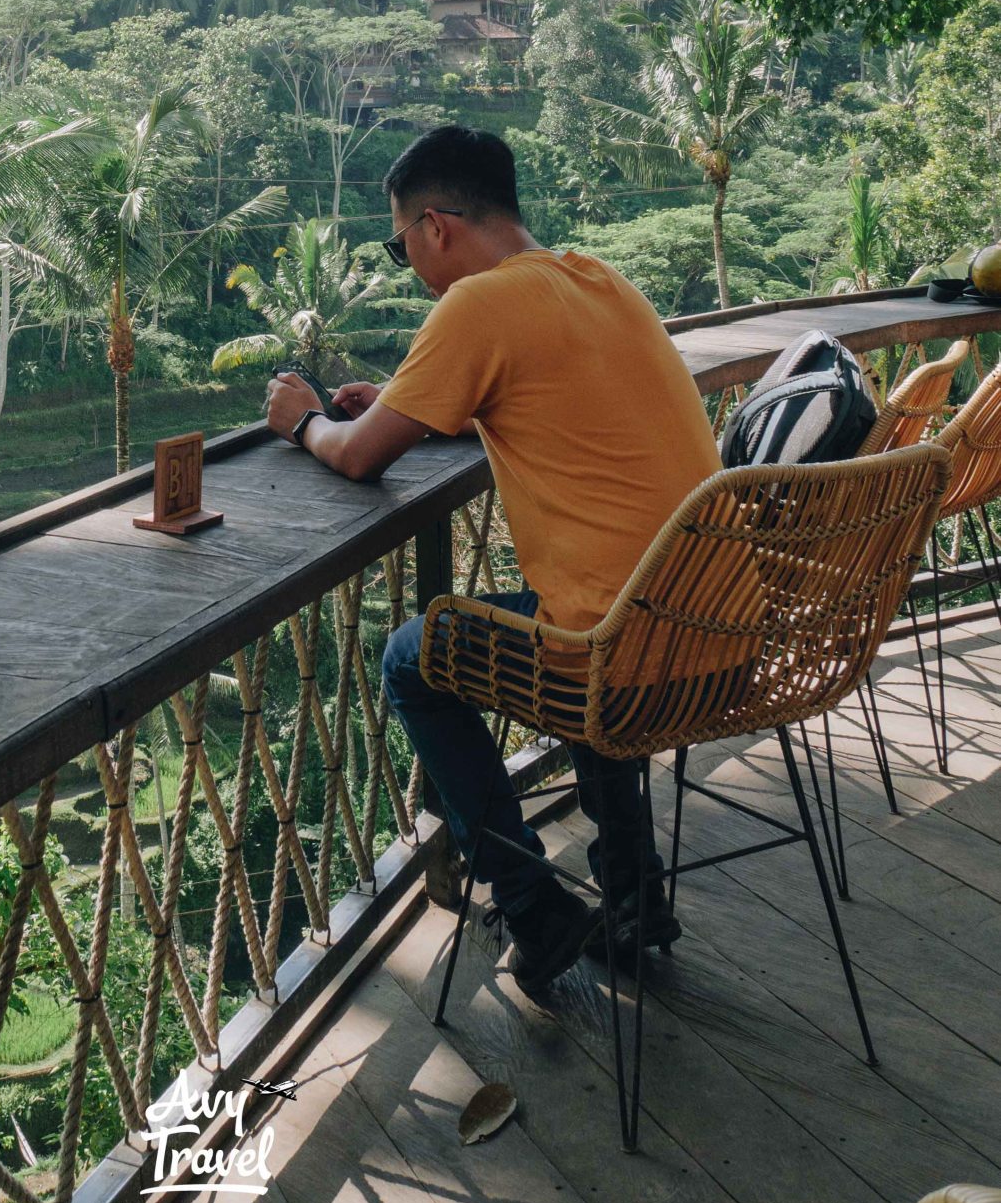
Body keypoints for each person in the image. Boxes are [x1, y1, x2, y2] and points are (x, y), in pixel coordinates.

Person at [264, 124, 722, 993]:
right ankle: (633, 899)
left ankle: (530, 903)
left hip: (619, 655)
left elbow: (360, 459)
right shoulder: (599, 279)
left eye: (403, 249)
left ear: (434, 226)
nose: (413, 267)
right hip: (713, 631)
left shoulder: (476, 304)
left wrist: (304, 420)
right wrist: (408, 402)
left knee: (411, 657)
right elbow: (550, 394)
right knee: (590, 605)